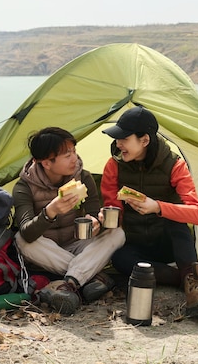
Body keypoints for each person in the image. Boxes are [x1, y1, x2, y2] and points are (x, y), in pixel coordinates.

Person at [101, 106, 198, 317]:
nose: (118, 144)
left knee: (176, 221)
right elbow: (112, 209)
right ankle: (191, 280)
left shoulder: (174, 165)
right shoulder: (114, 166)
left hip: (168, 243)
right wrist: (104, 217)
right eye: (117, 138)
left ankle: (196, 290)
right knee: (120, 259)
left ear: (145, 140)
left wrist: (157, 207)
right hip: (136, 243)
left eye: (124, 138)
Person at [13, 127, 125, 315]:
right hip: (47, 251)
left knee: (118, 232)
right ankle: (90, 276)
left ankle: (69, 283)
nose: (74, 158)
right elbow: (26, 231)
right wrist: (51, 211)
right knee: (21, 240)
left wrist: (97, 221)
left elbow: (93, 211)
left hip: (77, 243)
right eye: (67, 155)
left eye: (74, 151)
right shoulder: (24, 186)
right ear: (46, 163)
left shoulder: (83, 177)